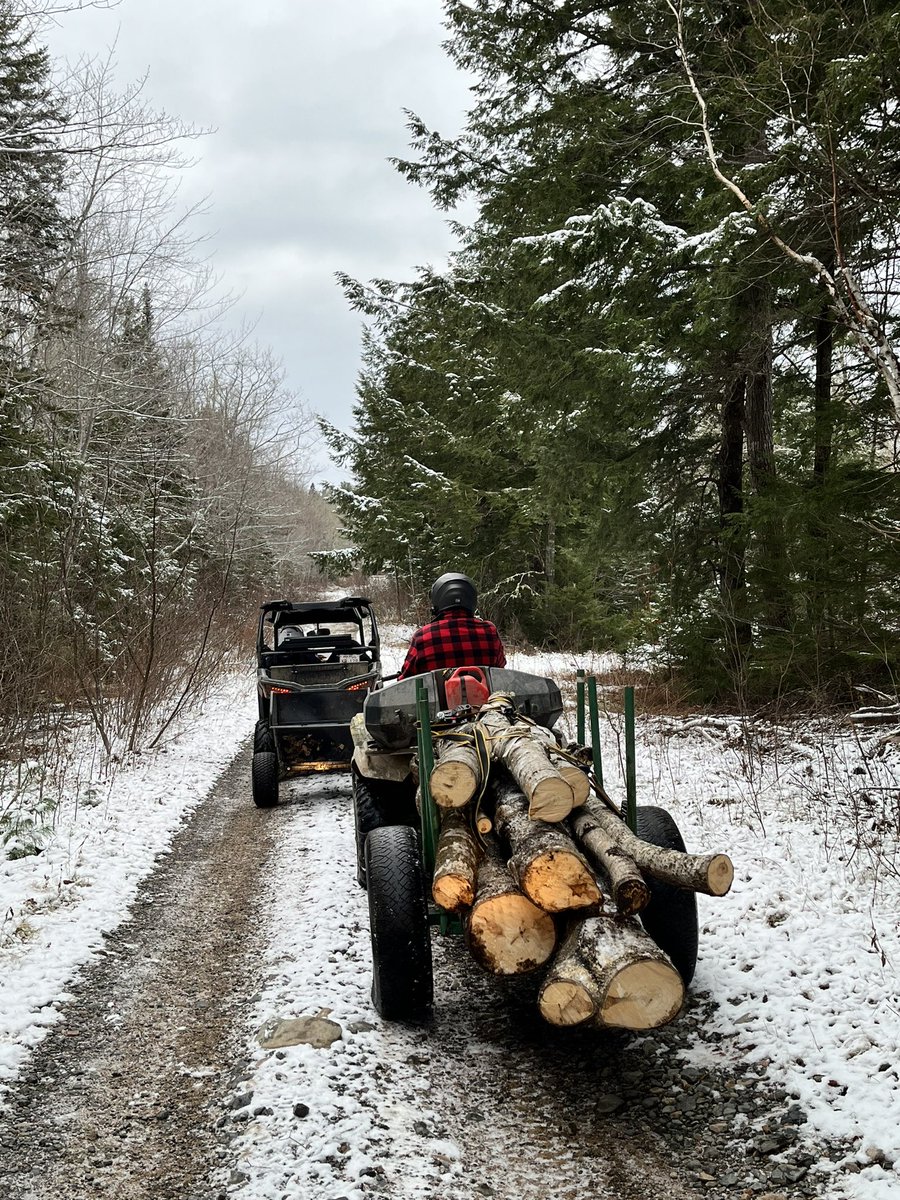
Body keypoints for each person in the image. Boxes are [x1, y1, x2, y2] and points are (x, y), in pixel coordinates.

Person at [397, 572, 506, 679]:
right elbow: (501, 671)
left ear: (437, 601)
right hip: (484, 696)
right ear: (472, 600)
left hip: (435, 697)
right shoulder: (489, 632)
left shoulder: (423, 636)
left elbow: (405, 680)